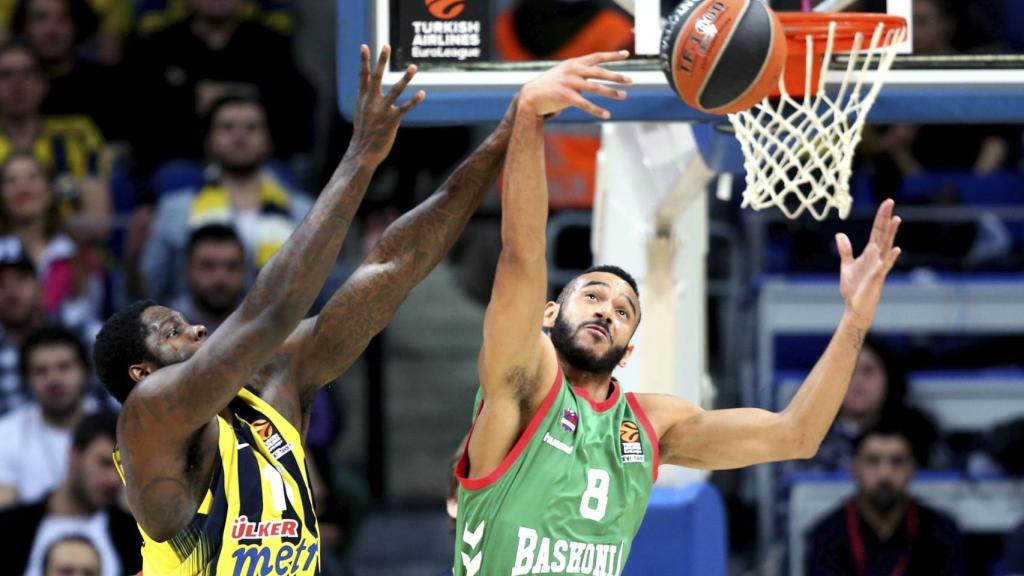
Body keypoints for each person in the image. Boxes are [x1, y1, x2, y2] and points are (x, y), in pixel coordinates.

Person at [453, 51, 903, 574]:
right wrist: (529, 115)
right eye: (592, 295)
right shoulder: (522, 382)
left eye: (624, 312)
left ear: (628, 350)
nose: (607, 311)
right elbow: (523, 258)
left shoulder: (651, 424)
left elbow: (794, 435)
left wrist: (855, 319)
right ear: (549, 315)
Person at [92, 45, 515, 574]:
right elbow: (271, 311)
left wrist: (506, 137)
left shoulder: (275, 381)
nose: (196, 326)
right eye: (171, 331)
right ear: (142, 372)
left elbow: (396, 265)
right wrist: (361, 156)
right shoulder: (147, 419)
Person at [139, 95, 313, 304]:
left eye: (252, 128)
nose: (239, 137)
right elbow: (147, 292)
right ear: (209, 140)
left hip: (281, 331)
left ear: (269, 140)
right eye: (227, 127)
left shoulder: (305, 211)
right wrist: (133, 258)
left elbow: (317, 292)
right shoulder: (175, 208)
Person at [806, 423, 963, 575]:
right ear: (855, 468)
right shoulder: (827, 533)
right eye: (873, 461)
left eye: (897, 461)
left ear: (912, 468)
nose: (885, 474)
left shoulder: (941, 531)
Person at [0, 411, 140, 576]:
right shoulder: (9, 529)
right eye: (104, 463)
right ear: (75, 454)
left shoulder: (133, 539)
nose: (113, 479)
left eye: (122, 469)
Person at [789, 335, 940, 473]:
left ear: (889, 378)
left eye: (868, 371)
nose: (858, 381)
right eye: (847, 372)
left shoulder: (919, 433)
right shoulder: (807, 440)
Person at [0, 325, 95, 507]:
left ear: (85, 372)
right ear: (27, 380)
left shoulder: (117, 429)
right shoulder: (5, 435)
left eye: (64, 367)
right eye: (41, 371)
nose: (53, 379)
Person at [0, 153, 105, 317]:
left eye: (32, 177)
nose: (22, 187)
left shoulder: (77, 256)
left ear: (50, 191)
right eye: (10, 181)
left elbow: (88, 317)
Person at [171, 223, 245, 332]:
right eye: (208, 266)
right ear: (188, 270)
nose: (220, 277)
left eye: (231, 266)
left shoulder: (262, 326)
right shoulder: (166, 330)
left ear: (243, 271)